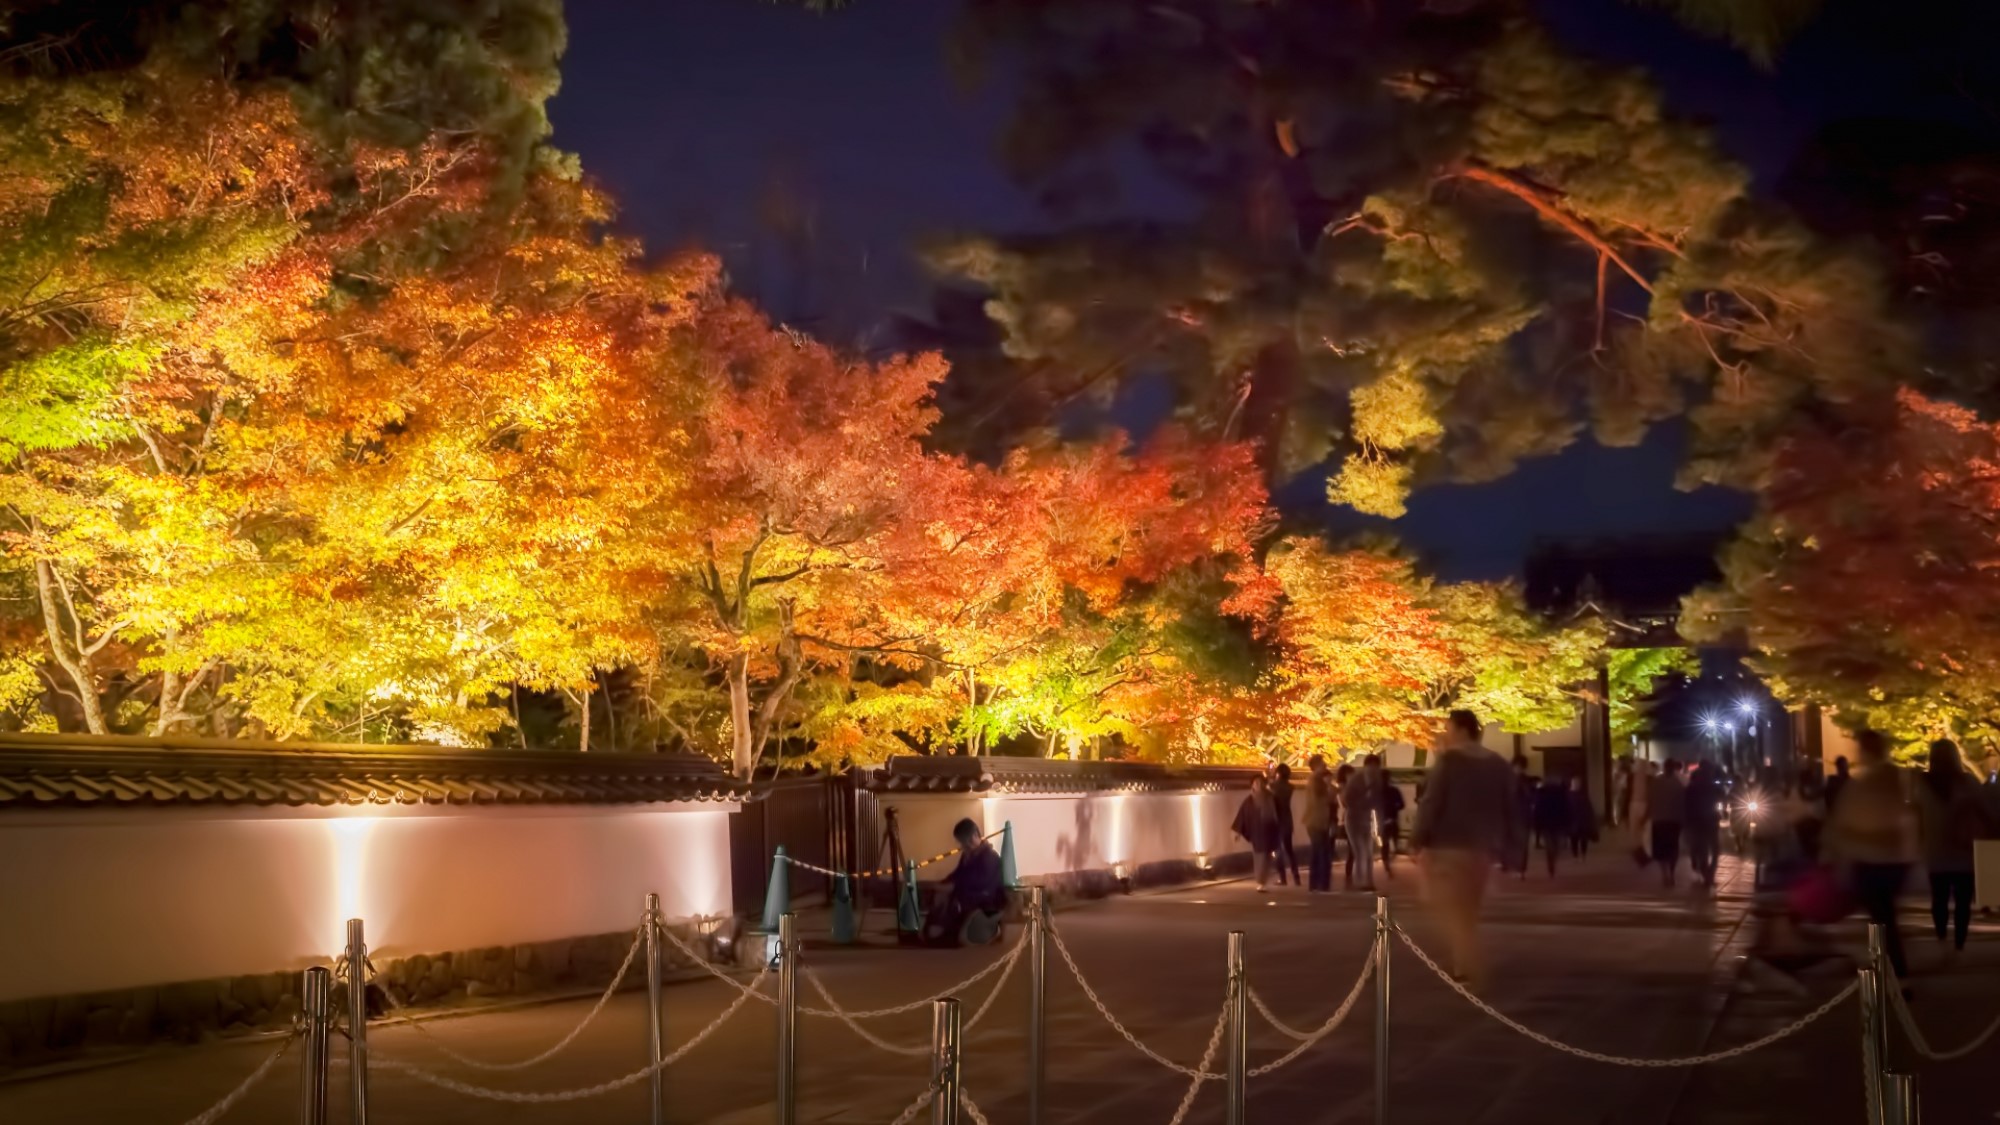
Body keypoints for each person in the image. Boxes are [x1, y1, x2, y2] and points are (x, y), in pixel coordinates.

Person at [1412, 709, 1523, 989]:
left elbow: (1432, 802)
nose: (1445, 734)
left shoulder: (1449, 762)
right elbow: (1512, 808)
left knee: (1449, 907)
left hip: (1448, 845)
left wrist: (1417, 837)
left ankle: (1469, 963)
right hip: (1483, 849)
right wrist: (1513, 848)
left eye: (1448, 728)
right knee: (1468, 908)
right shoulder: (1498, 764)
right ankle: (1464, 962)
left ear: (1461, 729)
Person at [1828, 731, 1915, 981]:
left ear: (1866, 751)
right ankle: (1891, 968)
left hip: (1870, 861)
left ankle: (1894, 971)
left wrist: (1839, 847)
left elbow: (1846, 821)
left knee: (1881, 920)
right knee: (1885, 917)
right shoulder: (1896, 778)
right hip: (1896, 860)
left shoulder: (1865, 783)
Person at [1917, 739, 1987, 955]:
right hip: (1963, 850)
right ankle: (1959, 946)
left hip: (1935, 850)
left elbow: (1915, 813)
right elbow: (1984, 808)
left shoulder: (1922, 782)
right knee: (1963, 901)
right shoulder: (1967, 781)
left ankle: (1941, 939)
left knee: (1939, 899)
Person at [925, 818, 1006, 946]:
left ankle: (948, 932)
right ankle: (936, 931)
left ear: (975, 835)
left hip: (986, 900)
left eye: (965, 841)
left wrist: (954, 887)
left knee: (953, 901)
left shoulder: (990, 857)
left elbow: (981, 883)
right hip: (970, 894)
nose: (963, 845)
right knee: (940, 895)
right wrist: (942, 883)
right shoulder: (968, 855)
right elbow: (958, 873)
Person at [1233, 776, 1282, 892]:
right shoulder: (1249, 801)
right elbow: (1242, 816)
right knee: (1259, 856)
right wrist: (1238, 832)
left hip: (1270, 830)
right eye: (1256, 783)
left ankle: (1263, 880)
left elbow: (1279, 814)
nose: (1258, 785)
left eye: (1260, 783)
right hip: (1257, 831)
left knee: (1267, 857)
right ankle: (1260, 881)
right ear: (1252, 785)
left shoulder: (1271, 797)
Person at [1343, 754, 1383, 891]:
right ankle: (1360, 882)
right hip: (1353, 818)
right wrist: (1363, 802)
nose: (1374, 770)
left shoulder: (1377, 780)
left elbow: (1378, 799)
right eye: (1372, 767)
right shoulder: (1356, 780)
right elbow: (1346, 799)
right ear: (1367, 766)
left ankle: (1369, 882)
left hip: (1366, 818)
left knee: (1369, 851)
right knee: (1359, 851)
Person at [1648, 759, 1688, 887]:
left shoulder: (1656, 782)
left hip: (1659, 820)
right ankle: (1671, 873)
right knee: (1673, 848)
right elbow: (1683, 802)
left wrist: (1647, 816)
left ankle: (1665, 873)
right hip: (1674, 820)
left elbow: (1650, 800)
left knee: (1661, 849)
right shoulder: (1679, 783)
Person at [1684, 761, 1723, 888]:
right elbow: (1721, 796)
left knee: (1704, 851)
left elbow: (1686, 804)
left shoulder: (1694, 786)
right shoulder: (1709, 785)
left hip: (1700, 822)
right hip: (1707, 821)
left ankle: (1707, 874)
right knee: (1712, 850)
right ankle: (1708, 875)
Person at [1304, 754, 1336, 893]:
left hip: (1316, 820)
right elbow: (1323, 799)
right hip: (1317, 820)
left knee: (1319, 851)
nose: (1325, 765)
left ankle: (1316, 883)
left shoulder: (1315, 780)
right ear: (1316, 765)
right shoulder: (1317, 781)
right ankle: (1321, 883)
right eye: (1322, 762)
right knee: (1322, 852)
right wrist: (1330, 789)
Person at [1532, 773, 1571, 877]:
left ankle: (1551, 861)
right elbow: (1566, 808)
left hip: (1546, 822)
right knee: (1557, 844)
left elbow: (1537, 809)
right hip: (1558, 822)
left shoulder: (1541, 793)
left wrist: (1536, 823)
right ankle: (1552, 860)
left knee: (1550, 845)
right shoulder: (1562, 793)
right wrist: (1567, 822)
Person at [1271, 763, 1300, 887]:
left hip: (1276, 820)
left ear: (1278, 773)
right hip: (1287, 820)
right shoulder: (1290, 787)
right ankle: (1296, 877)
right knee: (1289, 850)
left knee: (1278, 850)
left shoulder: (1273, 786)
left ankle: (1282, 878)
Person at [1508, 755, 1536, 879]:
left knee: (1522, 844)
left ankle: (1521, 869)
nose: (1517, 769)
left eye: (1519, 767)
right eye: (1516, 767)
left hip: (1523, 816)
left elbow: (1532, 797)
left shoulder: (1526, 781)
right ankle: (1517, 866)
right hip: (1514, 816)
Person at [1626, 760, 1655, 867]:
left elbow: (1628, 792)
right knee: (1643, 830)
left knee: (1640, 830)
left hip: (1637, 804)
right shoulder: (1649, 778)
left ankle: (1642, 852)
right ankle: (1643, 852)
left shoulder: (1633, 777)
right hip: (1640, 804)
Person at [1380, 775, 1407, 878]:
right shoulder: (1394, 791)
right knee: (1390, 842)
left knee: (1386, 843)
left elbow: (1401, 804)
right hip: (1391, 819)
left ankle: (1387, 863)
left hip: (1384, 820)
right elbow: (1401, 805)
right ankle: (1388, 864)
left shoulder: (1378, 792)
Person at [1567, 776, 1596, 858]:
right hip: (1573, 820)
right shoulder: (1568, 795)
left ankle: (1583, 854)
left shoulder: (1583, 795)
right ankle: (1575, 854)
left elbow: (1588, 808)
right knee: (1574, 838)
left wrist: (1590, 819)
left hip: (1583, 820)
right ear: (1572, 784)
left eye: (1578, 783)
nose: (1577, 785)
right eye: (1575, 783)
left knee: (1584, 838)